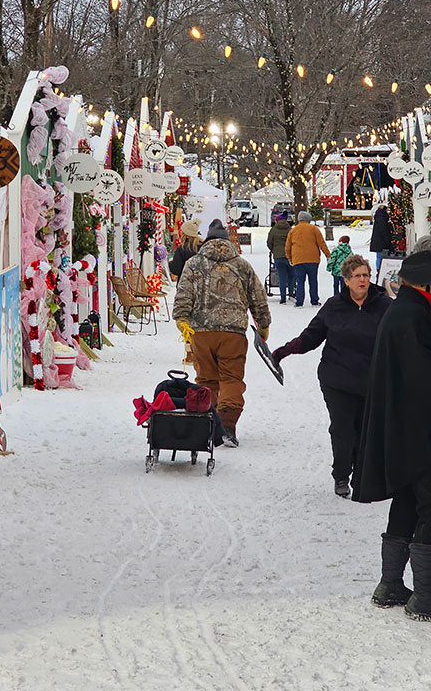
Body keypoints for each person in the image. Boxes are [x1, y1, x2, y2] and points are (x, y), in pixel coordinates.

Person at [352, 251, 431, 620]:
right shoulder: (415, 316)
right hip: (420, 430)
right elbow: (422, 381)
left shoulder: (400, 312)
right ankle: (426, 598)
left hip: (401, 430)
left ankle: (390, 585)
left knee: (406, 500)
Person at [272, 255, 391, 497]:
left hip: (372, 380)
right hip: (337, 379)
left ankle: (362, 474)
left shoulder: (385, 306)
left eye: (366, 275)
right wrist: (285, 350)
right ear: (346, 280)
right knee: (342, 429)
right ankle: (341, 475)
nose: (362, 280)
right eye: (357, 276)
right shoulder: (334, 306)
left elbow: (397, 339)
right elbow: (311, 336)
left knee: (365, 430)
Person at [172, 218, 271, 447]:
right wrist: (263, 324)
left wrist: (182, 319)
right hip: (233, 333)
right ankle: (227, 426)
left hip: (202, 332)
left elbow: (184, 293)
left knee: (206, 379)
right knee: (231, 379)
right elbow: (258, 297)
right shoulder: (242, 265)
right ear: (228, 242)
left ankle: (209, 424)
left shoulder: (194, 264)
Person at [285, 211, 331, 307]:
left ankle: (299, 302)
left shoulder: (293, 231)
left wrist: (289, 258)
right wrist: (328, 255)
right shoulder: (314, 229)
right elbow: (321, 243)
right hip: (312, 259)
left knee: (300, 281)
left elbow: (288, 247)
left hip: (297, 260)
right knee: (313, 281)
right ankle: (314, 301)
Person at [266, 211, 295, 303]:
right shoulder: (290, 230)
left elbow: (269, 242)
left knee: (281, 277)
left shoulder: (273, 230)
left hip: (278, 257)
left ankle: (283, 298)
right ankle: (291, 294)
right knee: (291, 275)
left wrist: (274, 250)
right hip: (290, 256)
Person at [169, 218, 202, 284]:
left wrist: (171, 262)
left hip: (185, 286)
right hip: (200, 285)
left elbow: (175, 270)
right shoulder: (203, 247)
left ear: (185, 234)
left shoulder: (182, 249)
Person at [370, 204, 392, 276]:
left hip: (378, 241)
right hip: (381, 241)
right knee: (381, 256)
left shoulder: (378, 216)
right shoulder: (382, 217)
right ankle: (379, 269)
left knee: (379, 256)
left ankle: (378, 268)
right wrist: (388, 238)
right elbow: (383, 229)